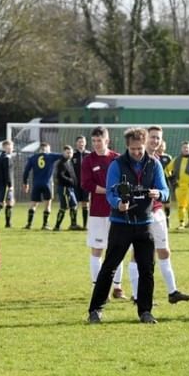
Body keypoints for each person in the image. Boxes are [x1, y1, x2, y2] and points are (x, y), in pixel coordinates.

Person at [86, 127, 170, 324]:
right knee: (109, 267)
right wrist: (118, 204)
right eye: (133, 149)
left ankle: (145, 312)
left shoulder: (154, 164)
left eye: (140, 148)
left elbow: (165, 190)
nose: (137, 152)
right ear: (127, 147)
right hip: (121, 224)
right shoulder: (117, 165)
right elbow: (110, 193)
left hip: (145, 224)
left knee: (147, 269)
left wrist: (160, 194)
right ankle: (95, 310)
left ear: (145, 144)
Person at [125, 126, 189, 306]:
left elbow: (163, 189)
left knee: (164, 251)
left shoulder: (155, 160)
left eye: (158, 138)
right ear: (146, 138)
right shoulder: (135, 160)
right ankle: (136, 295)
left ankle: (172, 292)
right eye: (153, 137)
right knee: (137, 254)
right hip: (141, 213)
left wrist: (161, 196)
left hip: (157, 212)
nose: (155, 141)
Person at [81, 127, 125, 299]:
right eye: (94, 141)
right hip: (97, 212)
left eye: (100, 140)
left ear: (107, 140)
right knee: (97, 250)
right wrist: (108, 191)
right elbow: (86, 184)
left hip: (117, 211)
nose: (97, 144)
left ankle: (117, 287)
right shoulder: (88, 160)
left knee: (117, 249)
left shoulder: (117, 159)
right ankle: (97, 287)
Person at [22, 142, 61, 230]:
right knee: (47, 204)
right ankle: (45, 224)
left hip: (36, 184)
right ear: (47, 149)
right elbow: (63, 156)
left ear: (40, 149)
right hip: (47, 184)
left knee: (33, 204)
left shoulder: (32, 158)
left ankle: (29, 224)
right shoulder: (51, 156)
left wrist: (25, 183)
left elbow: (26, 171)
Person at [52, 145, 81, 231]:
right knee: (64, 207)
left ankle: (73, 224)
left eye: (71, 152)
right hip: (64, 188)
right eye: (67, 152)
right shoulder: (61, 163)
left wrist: (75, 182)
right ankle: (57, 226)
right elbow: (60, 176)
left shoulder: (69, 162)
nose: (69, 154)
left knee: (74, 205)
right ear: (63, 153)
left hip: (70, 188)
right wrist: (70, 180)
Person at [0, 140, 16, 227]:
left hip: (0, 184)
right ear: (4, 148)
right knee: (2, 203)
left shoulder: (1, 157)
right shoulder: (6, 158)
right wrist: (10, 185)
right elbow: (7, 173)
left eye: (11, 147)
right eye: (9, 147)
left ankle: (8, 223)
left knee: (8, 202)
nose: (11, 149)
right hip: (5, 184)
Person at [73, 135, 90, 230]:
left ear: (85, 143)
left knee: (85, 203)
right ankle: (74, 224)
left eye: (83, 141)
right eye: (79, 141)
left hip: (86, 184)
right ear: (76, 143)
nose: (81, 143)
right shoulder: (73, 155)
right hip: (75, 184)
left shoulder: (89, 155)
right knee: (74, 203)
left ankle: (85, 225)